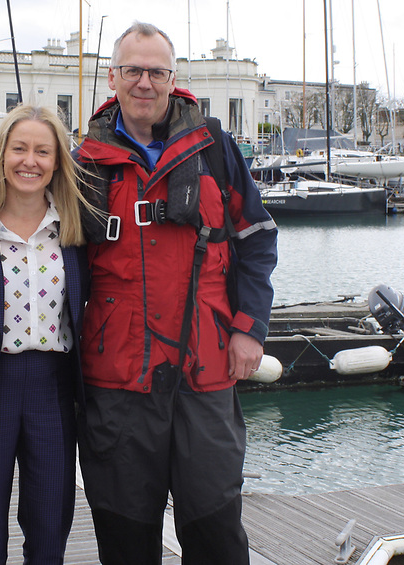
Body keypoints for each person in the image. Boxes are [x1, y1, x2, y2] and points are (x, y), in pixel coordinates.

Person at [74, 22, 278, 564]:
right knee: (125, 543)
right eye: (133, 70)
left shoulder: (215, 149)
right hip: (119, 382)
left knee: (216, 537)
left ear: (172, 78)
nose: (145, 82)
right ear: (113, 77)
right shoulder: (84, 163)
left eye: (156, 71)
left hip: (204, 374)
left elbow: (257, 241)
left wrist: (249, 328)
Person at [0, 105, 91, 564]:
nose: (30, 161)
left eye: (43, 151)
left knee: (50, 529)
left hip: (52, 388)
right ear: (1, 154)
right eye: (20, 149)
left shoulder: (74, 227)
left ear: (57, 161)